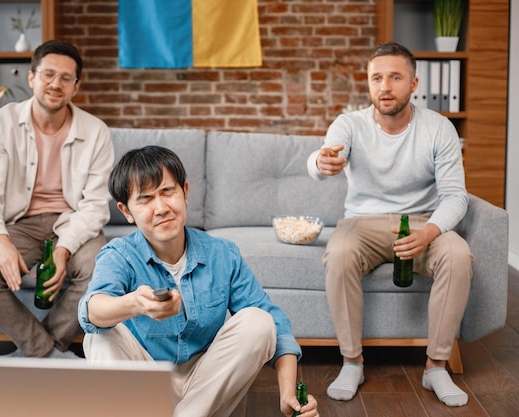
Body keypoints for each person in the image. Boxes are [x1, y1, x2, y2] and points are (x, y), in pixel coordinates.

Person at [78, 146, 320, 417]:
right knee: (98, 334)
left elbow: (274, 323)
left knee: (258, 321)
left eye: (168, 191)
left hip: (206, 384)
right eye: (145, 199)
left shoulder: (222, 254)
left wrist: (288, 395)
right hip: (145, 383)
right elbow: (91, 309)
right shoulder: (119, 254)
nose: (161, 208)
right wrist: (135, 304)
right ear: (126, 211)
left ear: (185, 193)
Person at [307, 41, 473, 407]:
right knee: (340, 251)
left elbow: (455, 196)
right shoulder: (349, 124)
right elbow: (327, 155)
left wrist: (430, 232)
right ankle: (352, 362)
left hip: (420, 224)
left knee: (458, 254)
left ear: (413, 84)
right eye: (377, 78)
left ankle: (435, 367)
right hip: (362, 224)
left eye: (395, 77)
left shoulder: (439, 128)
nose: (385, 86)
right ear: (368, 84)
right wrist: (322, 163)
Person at [0, 40, 114, 358]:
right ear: (32, 78)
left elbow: (94, 205)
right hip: (19, 223)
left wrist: (63, 249)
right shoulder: (1, 124)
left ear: (76, 86)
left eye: (65, 78)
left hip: (71, 221)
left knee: (102, 268)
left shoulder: (96, 131)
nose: (55, 84)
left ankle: (45, 350)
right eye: (48, 74)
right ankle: (45, 353)